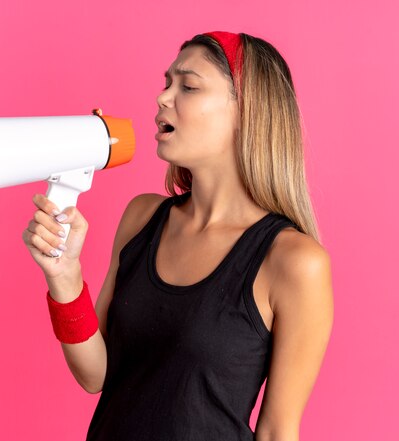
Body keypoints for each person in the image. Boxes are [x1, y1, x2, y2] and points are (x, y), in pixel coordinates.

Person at [22, 31, 334, 441]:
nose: (163, 98)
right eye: (167, 83)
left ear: (248, 112)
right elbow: (97, 374)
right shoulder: (143, 217)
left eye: (188, 86)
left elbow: (277, 430)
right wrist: (64, 278)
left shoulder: (294, 262)